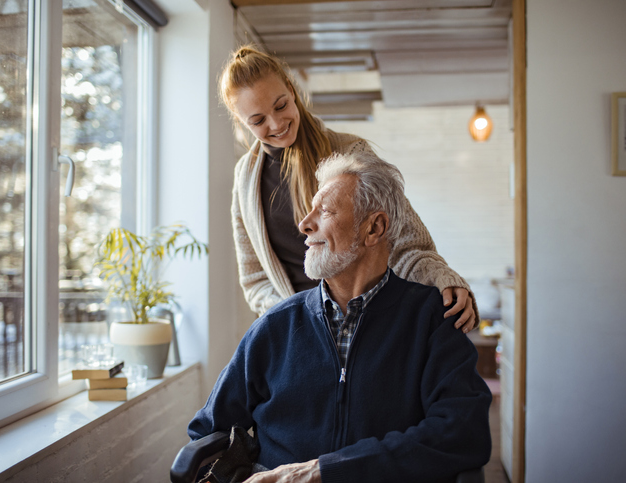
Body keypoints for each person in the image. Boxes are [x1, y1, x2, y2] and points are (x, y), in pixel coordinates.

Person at [189, 152, 492, 483]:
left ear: (374, 227)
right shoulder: (275, 326)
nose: (305, 224)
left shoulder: (432, 321)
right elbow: (207, 432)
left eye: (326, 211)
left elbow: (463, 432)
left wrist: (322, 471)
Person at [222, 45, 478, 332]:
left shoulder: (351, 153)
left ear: (292, 91)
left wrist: (442, 278)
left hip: (368, 327)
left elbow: (404, 242)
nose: (276, 123)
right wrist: (295, 318)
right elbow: (255, 278)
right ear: (241, 122)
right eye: (257, 120)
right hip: (297, 335)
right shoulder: (245, 179)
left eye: (281, 105)